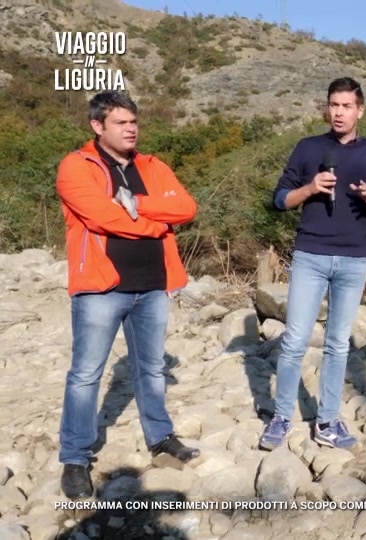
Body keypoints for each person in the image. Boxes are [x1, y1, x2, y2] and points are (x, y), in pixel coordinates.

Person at [56, 90, 200, 499]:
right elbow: (102, 217)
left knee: (151, 370)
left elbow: (186, 207)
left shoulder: (152, 166)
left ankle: (160, 439)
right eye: (121, 122)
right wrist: (156, 224)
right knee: (86, 375)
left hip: (152, 285)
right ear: (97, 126)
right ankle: (76, 458)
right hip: (101, 288)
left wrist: (137, 202)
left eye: (134, 121)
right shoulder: (75, 166)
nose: (131, 128)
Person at [260, 77, 366, 451]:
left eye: (346, 106)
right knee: (295, 339)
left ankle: (327, 421)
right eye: (333, 105)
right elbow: (279, 200)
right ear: (327, 108)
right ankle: (282, 417)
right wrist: (310, 188)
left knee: (337, 343)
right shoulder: (308, 148)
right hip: (311, 255)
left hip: (354, 259)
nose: (338, 113)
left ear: (360, 110)